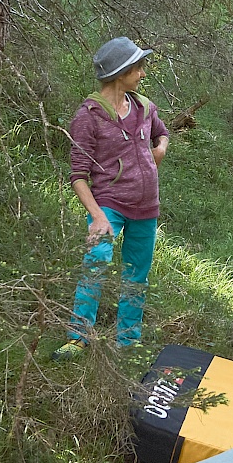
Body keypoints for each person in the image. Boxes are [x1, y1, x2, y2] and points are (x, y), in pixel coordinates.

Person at [53, 37, 169, 360]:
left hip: (147, 208)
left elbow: (162, 134)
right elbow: (78, 176)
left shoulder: (145, 107)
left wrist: (159, 149)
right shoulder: (88, 117)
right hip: (109, 205)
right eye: (138, 68)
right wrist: (98, 216)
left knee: (137, 274)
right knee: (96, 261)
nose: (143, 74)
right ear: (121, 73)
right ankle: (78, 338)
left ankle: (127, 343)